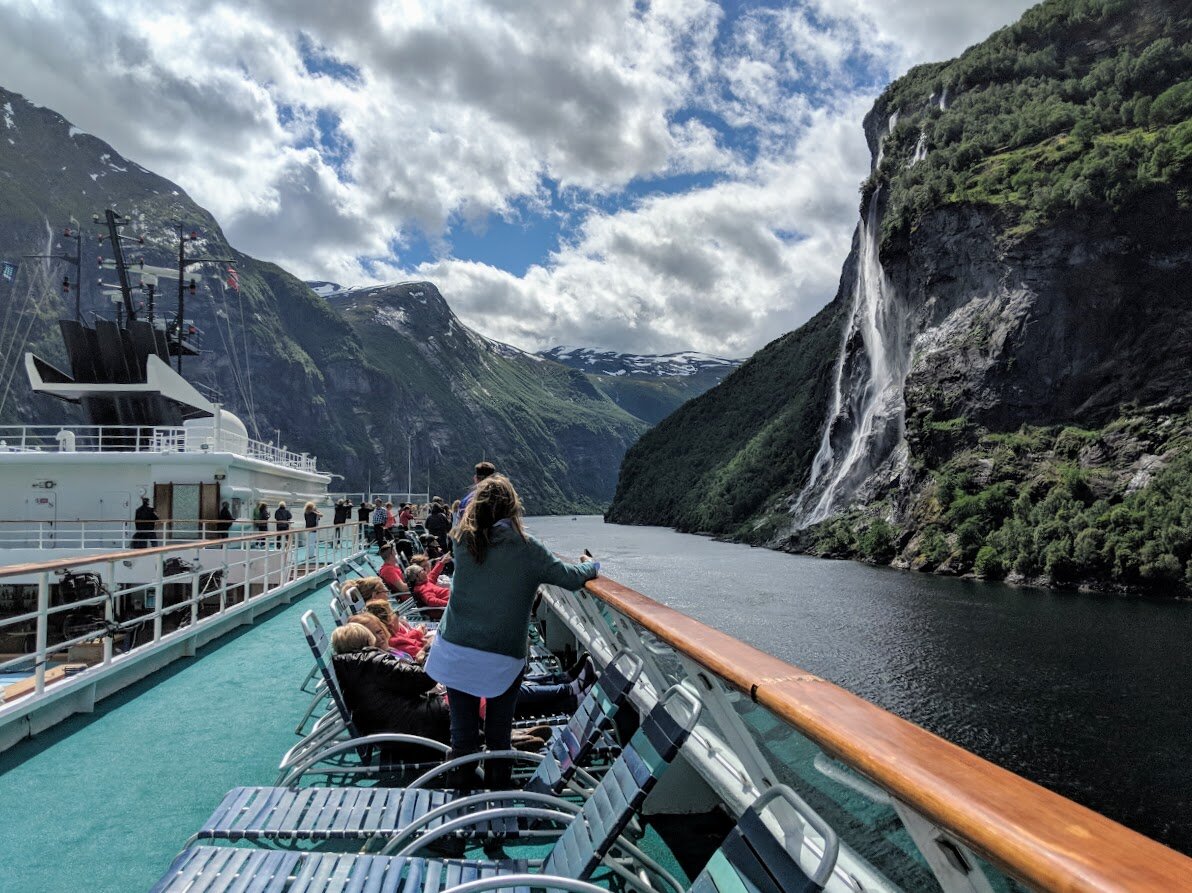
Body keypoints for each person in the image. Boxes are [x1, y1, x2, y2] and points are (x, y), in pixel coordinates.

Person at [425, 474, 598, 789]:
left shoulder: (462, 541)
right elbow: (571, 577)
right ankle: (497, 809)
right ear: (513, 508)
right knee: (498, 739)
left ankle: (460, 810)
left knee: (462, 739)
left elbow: (466, 530)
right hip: (500, 657)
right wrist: (592, 565)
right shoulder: (526, 548)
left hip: (455, 651)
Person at [329, 623, 450, 753]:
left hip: (390, 729)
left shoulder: (353, 667)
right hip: (414, 728)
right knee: (465, 701)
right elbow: (426, 679)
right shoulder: (372, 663)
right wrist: (428, 650)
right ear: (368, 640)